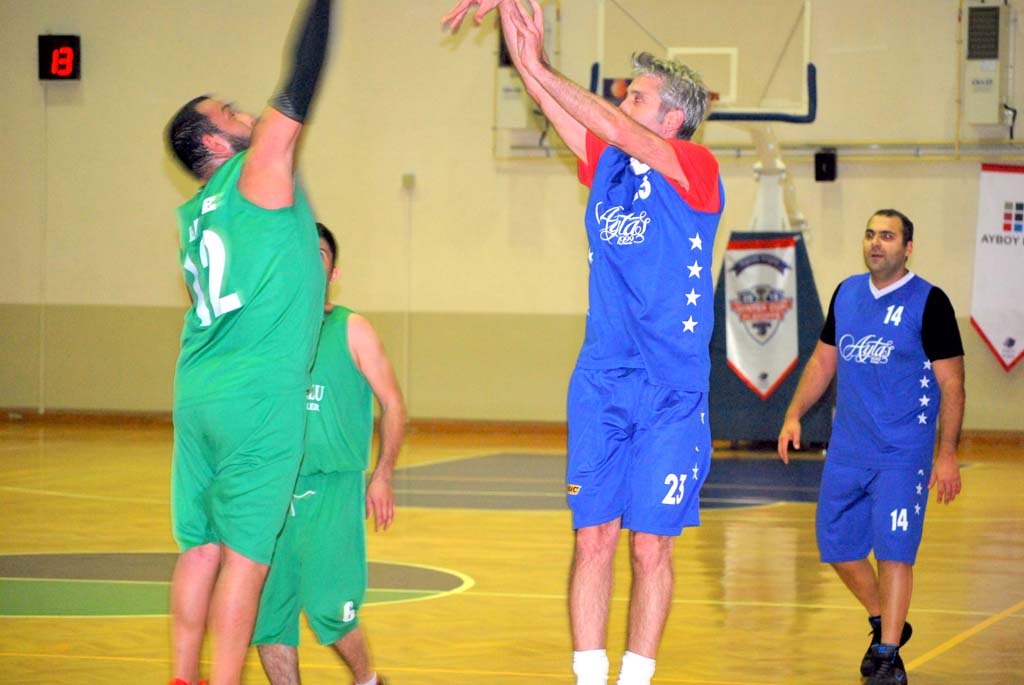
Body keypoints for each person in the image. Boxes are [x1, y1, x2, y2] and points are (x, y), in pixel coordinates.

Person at [444, 3, 723, 685]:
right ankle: (590, 676)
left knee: (650, 547)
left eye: (638, 98)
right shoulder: (610, 166)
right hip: (602, 379)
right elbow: (556, 105)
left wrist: (543, 66)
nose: (622, 104)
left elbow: (605, 121)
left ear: (672, 119)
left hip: (670, 389)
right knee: (592, 535)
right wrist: (521, 46)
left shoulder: (694, 166)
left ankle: (636, 677)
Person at [163, 1, 333, 683]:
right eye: (230, 112)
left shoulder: (195, 211)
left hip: (197, 390)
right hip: (257, 398)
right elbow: (300, 80)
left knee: (199, 548)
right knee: (245, 558)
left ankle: (183, 674)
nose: (246, 114)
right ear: (212, 142)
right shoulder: (256, 171)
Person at [777, 209, 965, 685]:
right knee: (837, 546)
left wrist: (946, 453)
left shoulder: (930, 302)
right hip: (848, 449)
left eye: (887, 236)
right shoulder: (847, 293)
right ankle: (886, 620)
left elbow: (952, 383)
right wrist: (794, 414)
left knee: (894, 552)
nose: (876, 243)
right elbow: (823, 363)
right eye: (870, 234)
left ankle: (887, 654)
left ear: (908, 248)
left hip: (902, 453)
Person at [252, 223, 405, 685]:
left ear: (333, 272)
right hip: (273, 490)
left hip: (333, 487)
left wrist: (383, 474)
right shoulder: (265, 333)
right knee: (268, 617)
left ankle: (367, 680)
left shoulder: (352, 328)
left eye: (318, 252)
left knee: (329, 607)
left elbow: (393, 404)